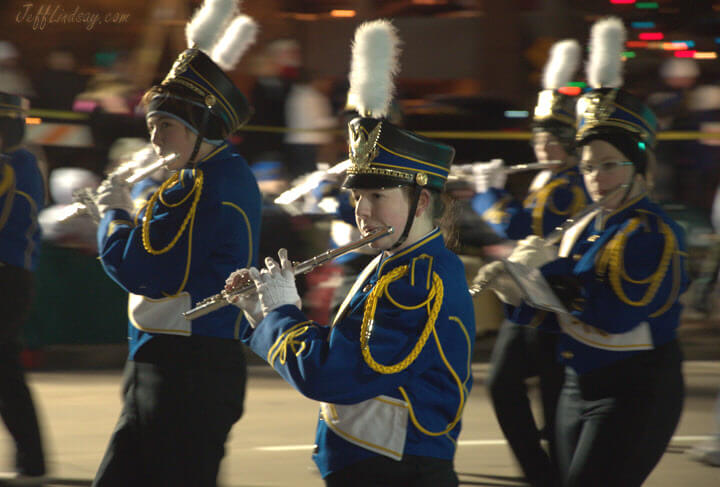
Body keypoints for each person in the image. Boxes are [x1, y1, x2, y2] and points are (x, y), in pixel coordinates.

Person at [226, 20, 475, 486]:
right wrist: (260, 311)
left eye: (378, 197)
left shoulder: (418, 282)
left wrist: (281, 312)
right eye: (358, 198)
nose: (362, 212)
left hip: (397, 471)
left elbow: (332, 375)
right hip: (372, 464)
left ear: (421, 202)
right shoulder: (395, 262)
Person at [484, 17, 688, 487]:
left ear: (638, 168)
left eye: (609, 166)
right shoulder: (582, 225)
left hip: (635, 388)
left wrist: (545, 272)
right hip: (579, 385)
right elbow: (556, 315)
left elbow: (613, 315)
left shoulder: (654, 232)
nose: (595, 178)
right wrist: (517, 293)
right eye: (590, 167)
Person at [90, 3, 261, 486]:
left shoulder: (194, 185)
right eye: (151, 125)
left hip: (178, 366)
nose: (154, 137)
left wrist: (114, 214)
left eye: (164, 125)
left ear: (200, 127)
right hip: (202, 363)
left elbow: (147, 273)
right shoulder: (231, 172)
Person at [471, 39, 587, 487]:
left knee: (541, 397)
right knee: (529, 391)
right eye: (538, 140)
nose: (541, 149)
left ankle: (549, 475)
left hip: (550, 304)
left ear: (568, 144)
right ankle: (545, 473)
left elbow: (522, 229)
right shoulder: (549, 177)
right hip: (533, 300)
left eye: (551, 141)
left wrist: (488, 192)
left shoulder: (569, 185)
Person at [0, 91, 47, 482]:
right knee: (6, 373)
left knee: (6, 374)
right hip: (12, 277)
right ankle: (32, 461)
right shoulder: (20, 162)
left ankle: (33, 462)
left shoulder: (14, 165)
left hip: (5, 277)